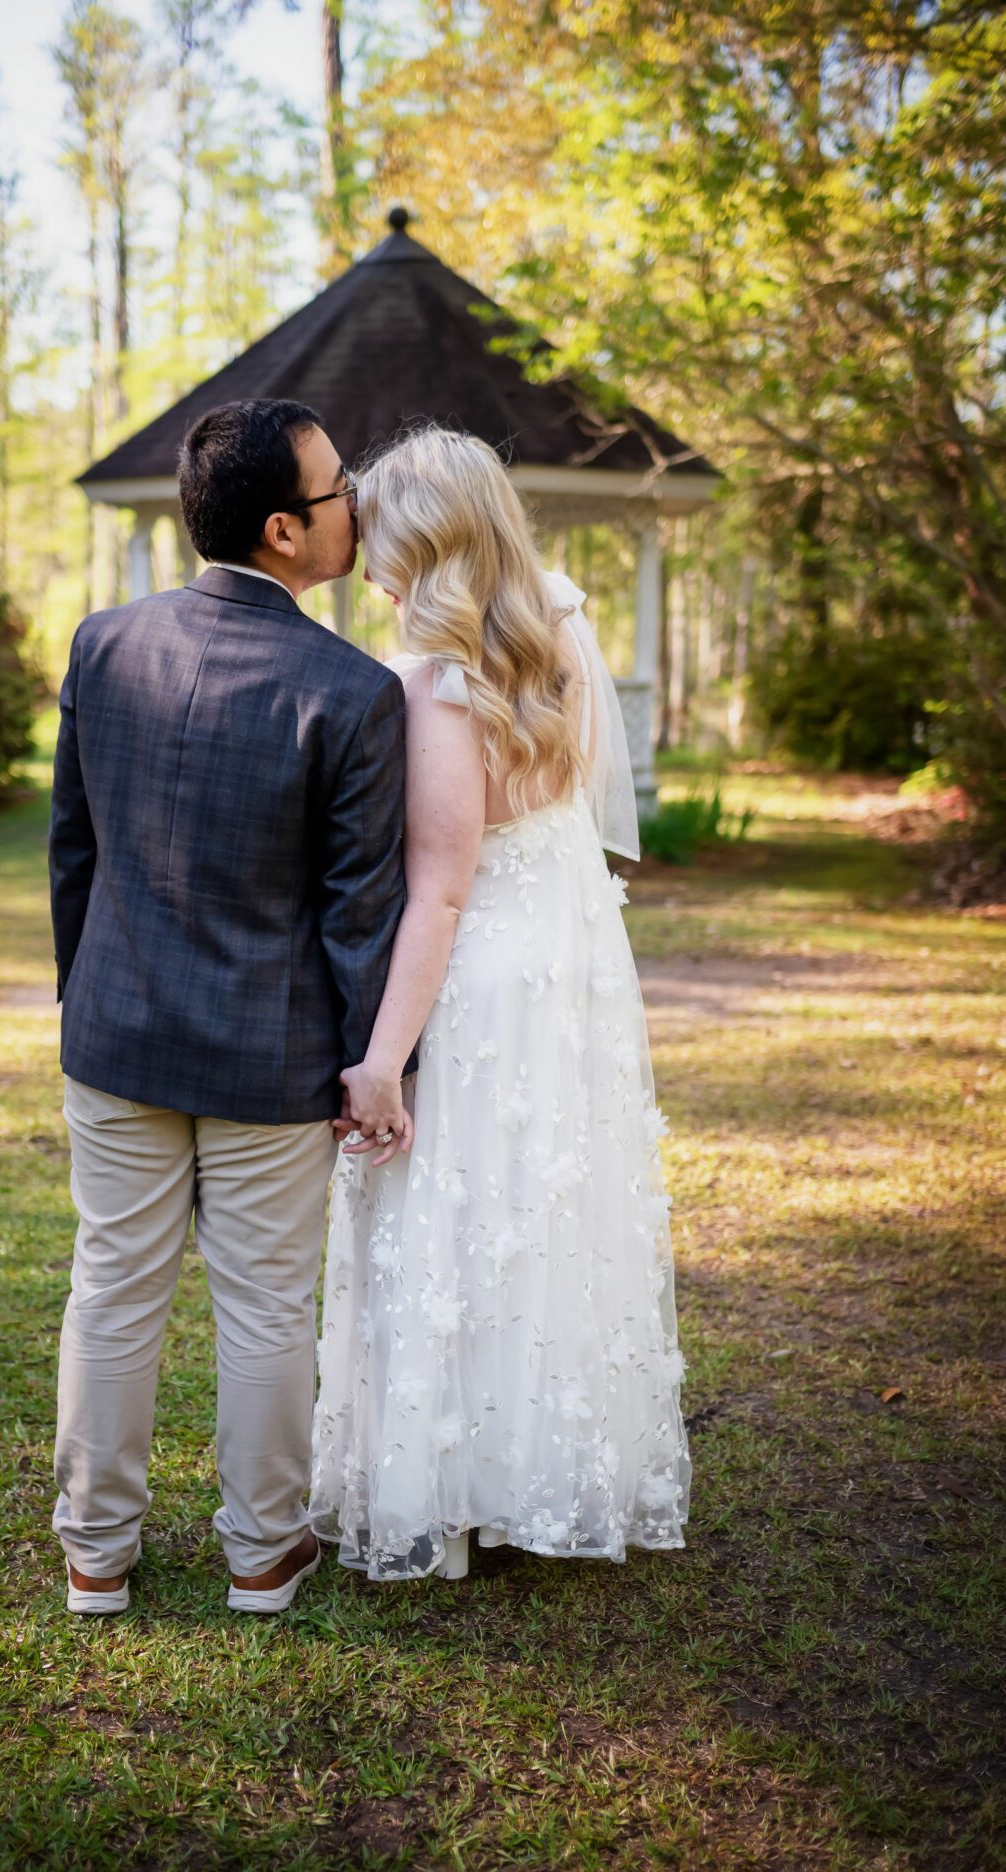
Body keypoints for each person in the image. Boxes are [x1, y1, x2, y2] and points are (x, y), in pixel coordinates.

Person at [48, 398, 410, 1616]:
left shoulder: (102, 645)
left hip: (114, 1037)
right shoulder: (352, 691)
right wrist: (370, 1060)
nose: (353, 502)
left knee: (112, 1284)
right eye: (334, 489)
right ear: (280, 532)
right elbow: (358, 911)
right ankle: (262, 1550)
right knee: (262, 1305)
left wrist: (83, 999)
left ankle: (94, 1551)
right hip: (271, 1056)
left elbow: (71, 858)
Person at [310, 427, 691, 1580]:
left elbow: (438, 893)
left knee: (451, 1205)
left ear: (422, 548)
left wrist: (379, 1061)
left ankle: (453, 1483)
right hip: (568, 961)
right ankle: (541, 1463)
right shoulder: (559, 627)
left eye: (376, 538)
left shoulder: (435, 684)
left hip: (476, 973)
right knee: (543, 1205)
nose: (362, 561)